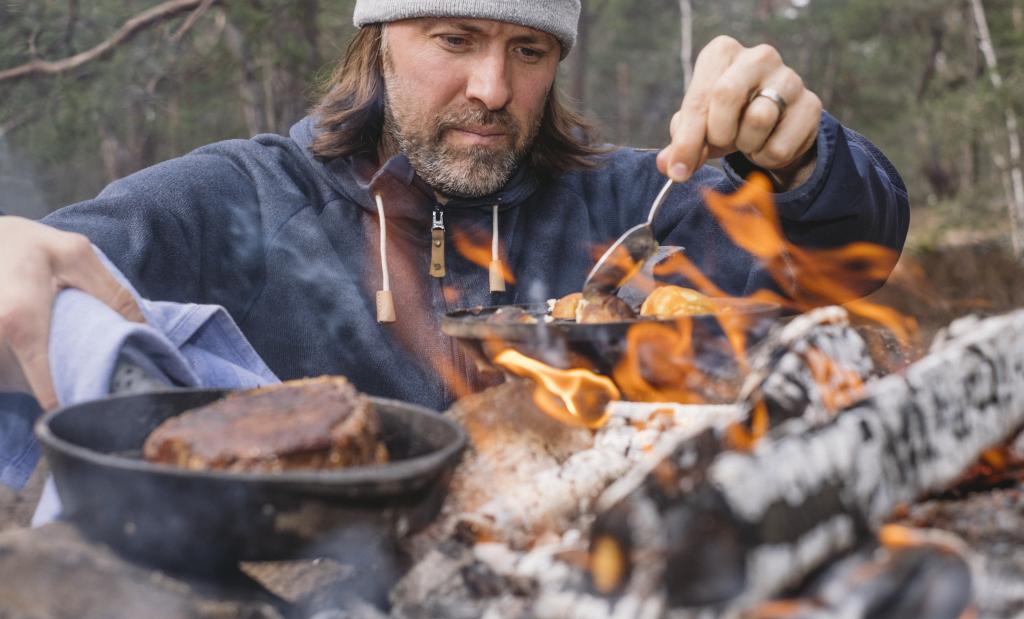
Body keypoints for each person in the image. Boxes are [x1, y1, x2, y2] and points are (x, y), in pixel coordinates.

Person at [0, 0, 909, 413]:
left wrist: (802, 160)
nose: (493, 87)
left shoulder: (629, 193)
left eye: (529, 49)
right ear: (379, 40)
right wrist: (16, 246)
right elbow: (58, 261)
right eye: (454, 38)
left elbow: (854, 243)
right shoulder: (244, 196)